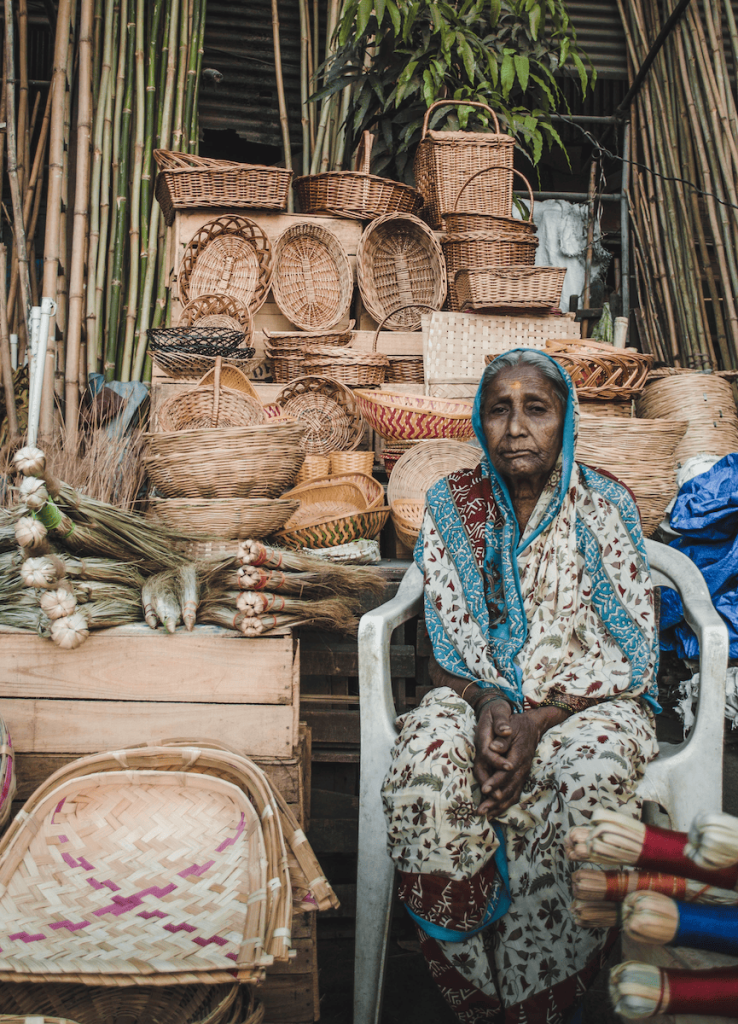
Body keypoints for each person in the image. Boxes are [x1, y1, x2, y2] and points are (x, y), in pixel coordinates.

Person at [382, 349, 660, 1024]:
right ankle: (477, 995)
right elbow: (442, 647)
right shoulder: (451, 506)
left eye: (536, 408)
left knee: (589, 774)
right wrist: (492, 705)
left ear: (565, 420)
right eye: (498, 409)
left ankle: (541, 993)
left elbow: (634, 653)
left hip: (589, 705)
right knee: (425, 759)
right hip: (475, 700)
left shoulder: (605, 502)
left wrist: (539, 722)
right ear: (479, 421)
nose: (515, 427)